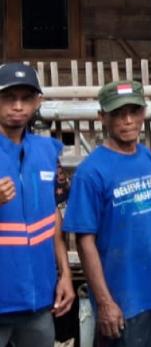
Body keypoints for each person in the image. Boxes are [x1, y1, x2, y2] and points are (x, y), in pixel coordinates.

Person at [64, 80, 151, 345]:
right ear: (102, 117)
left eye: (134, 111)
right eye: (118, 113)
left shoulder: (147, 158)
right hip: (121, 299)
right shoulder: (90, 172)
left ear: (143, 114)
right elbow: (85, 242)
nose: (127, 120)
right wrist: (105, 302)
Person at [0, 63, 74, 346]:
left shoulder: (45, 151)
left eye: (26, 98)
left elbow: (52, 217)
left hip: (39, 299)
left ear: (37, 101)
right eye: (9, 97)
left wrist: (65, 274)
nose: (18, 106)